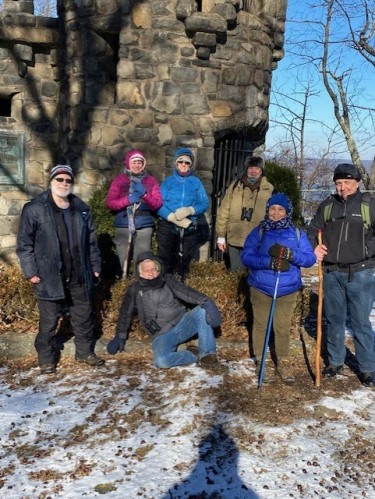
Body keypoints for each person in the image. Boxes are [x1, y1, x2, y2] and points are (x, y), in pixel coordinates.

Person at [16, 165, 104, 374]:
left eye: (68, 180)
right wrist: (31, 271)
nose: (64, 183)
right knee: (49, 322)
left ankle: (84, 352)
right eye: (60, 179)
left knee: (83, 316)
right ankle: (46, 358)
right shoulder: (35, 208)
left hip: (79, 274)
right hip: (49, 276)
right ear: (51, 181)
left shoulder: (81, 208)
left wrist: (95, 266)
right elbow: (24, 244)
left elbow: (91, 242)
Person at [307, 163, 375, 388]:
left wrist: (367, 250)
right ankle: (335, 362)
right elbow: (312, 230)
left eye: (347, 182)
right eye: (338, 183)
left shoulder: (368, 205)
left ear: (357, 183)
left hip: (361, 273)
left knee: (361, 322)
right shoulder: (327, 206)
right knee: (333, 320)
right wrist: (314, 249)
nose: (342, 187)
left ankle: (367, 368)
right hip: (332, 271)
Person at [241, 193, 316, 382]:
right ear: (267, 210)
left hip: (287, 288)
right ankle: (261, 360)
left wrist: (292, 255)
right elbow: (246, 257)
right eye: (272, 209)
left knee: (282, 327)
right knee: (261, 325)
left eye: (280, 209)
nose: (275, 213)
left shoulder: (298, 233)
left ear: (287, 212)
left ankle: (282, 362)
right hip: (260, 287)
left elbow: (309, 259)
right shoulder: (258, 232)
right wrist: (269, 263)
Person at [107, 251, 223, 370]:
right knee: (161, 361)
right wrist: (119, 336)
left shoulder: (167, 280)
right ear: (140, 273)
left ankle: (208, 357)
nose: (150, 273)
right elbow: (125, 313)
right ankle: (194, 355)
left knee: (202, 311)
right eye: (146, 270)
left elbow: (186, 292)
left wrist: (207, 302)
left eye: (153, 269)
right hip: (162, 334)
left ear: (158, 269)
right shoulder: (135, 290)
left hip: (182, 323)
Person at [106, 150, 162, 277]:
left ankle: (139, 284)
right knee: (122, 258)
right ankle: (122, 283)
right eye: (134, 162)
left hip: (144, 225)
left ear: (143, 164)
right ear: (128, 164)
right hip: (124, 223)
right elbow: (110, 203)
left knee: (142, 259)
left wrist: (145, 195)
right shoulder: (120, 180)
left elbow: (157, 204)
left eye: (139, 162)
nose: (137, 165)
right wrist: (128, 199)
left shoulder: (151, 181)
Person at [157, 147, 209, 280]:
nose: (184, 165)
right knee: (165, 254)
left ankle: (182, 282)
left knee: (185, 255)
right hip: (168, 223)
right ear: (176, 163)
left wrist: (190, 210)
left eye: (187, 162)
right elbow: (158, 203)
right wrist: (171, 217)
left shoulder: (196, 182)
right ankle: (164, 282)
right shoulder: (168, 182)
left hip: (188, 223)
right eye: (181, 162)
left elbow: (204, 203)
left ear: (191, 165)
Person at [216, 156, 274, 271]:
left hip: (258, 241)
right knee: (235, 273)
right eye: (251, 167)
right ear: (246, 169)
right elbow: (224, 211)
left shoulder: (269, 189)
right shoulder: (235, 187)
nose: (253, 171)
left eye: (257, 168)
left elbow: (274, 216)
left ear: (261, 170)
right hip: (235, 239)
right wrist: (221, 235)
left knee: (254, 275)